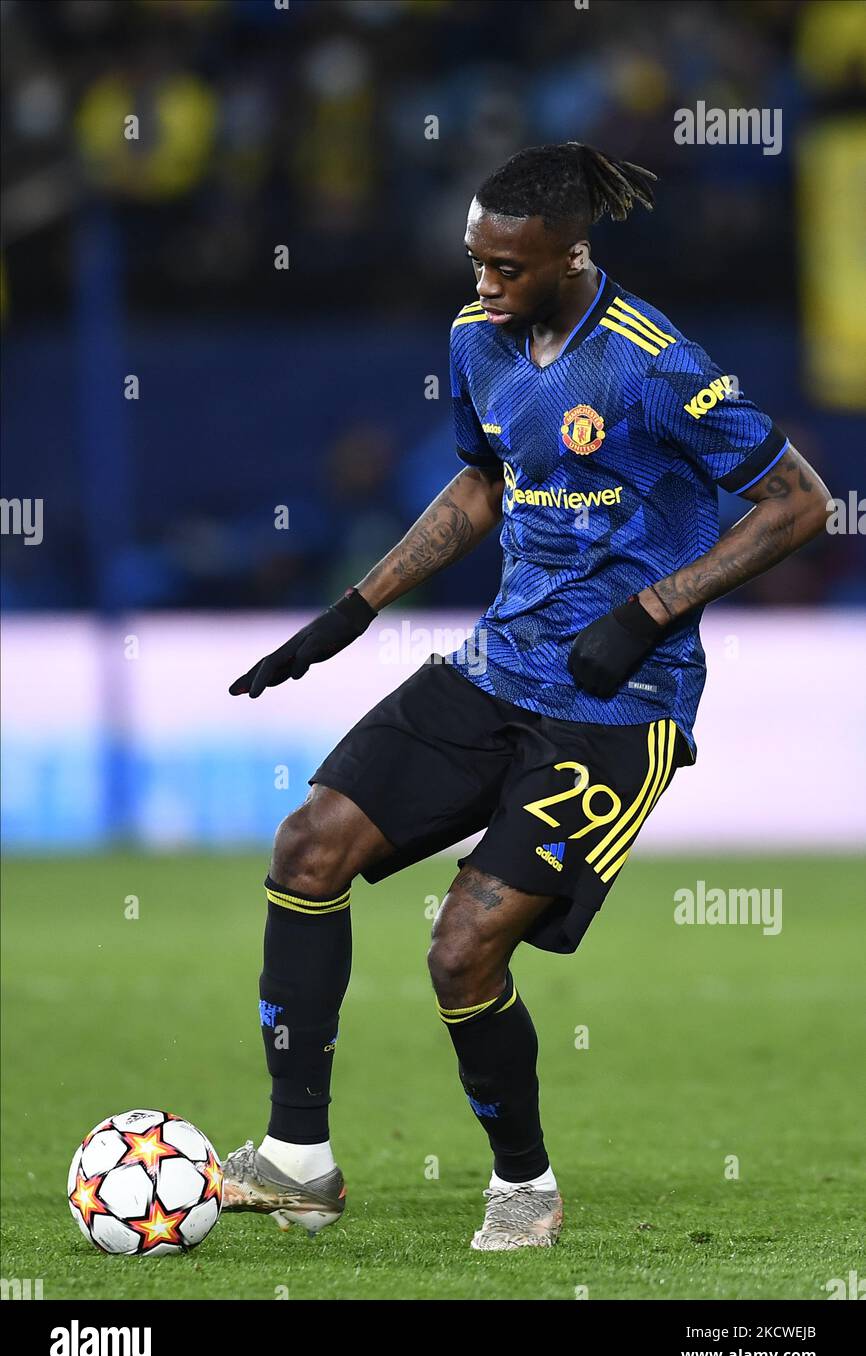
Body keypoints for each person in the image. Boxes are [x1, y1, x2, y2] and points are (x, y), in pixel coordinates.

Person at [221, 143, 830, 1250]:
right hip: (495, 667)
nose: (484, 285)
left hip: (618, 706)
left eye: (506, 267)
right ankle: (298, 1161)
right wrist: (351, 610)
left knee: (461, 950)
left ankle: (523, 1185)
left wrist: (652, 609)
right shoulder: (475, 339)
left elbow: (799, 503)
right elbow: (482, 481)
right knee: (308, 846)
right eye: (474, 262)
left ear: (569, 255)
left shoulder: (655, 366)